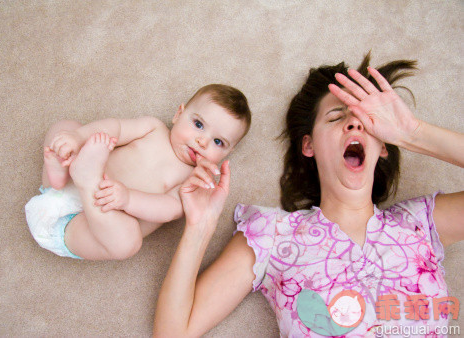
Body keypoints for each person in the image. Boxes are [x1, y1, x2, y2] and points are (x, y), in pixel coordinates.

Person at [153, 55, 464, 337]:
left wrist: (413, 132)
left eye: (368, 121)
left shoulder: (421, 223)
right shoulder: (272, 236)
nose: (354, 122)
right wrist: (200, 227)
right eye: (335, 117)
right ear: (309, 146)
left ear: (383, 145)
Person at [25, 84, 251, 261]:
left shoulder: (192, 183)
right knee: (66, 127)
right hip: (62, 188)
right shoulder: (153, 128)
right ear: (178, 114)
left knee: (128, 242)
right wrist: (78, 138)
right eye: (198, 125)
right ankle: (57, 174)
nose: (202, 141)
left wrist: (128, 199)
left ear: (227, 153)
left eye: (218, 141)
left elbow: (169, 210)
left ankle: (88, 179)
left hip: (80, 228)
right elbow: (116, 128)